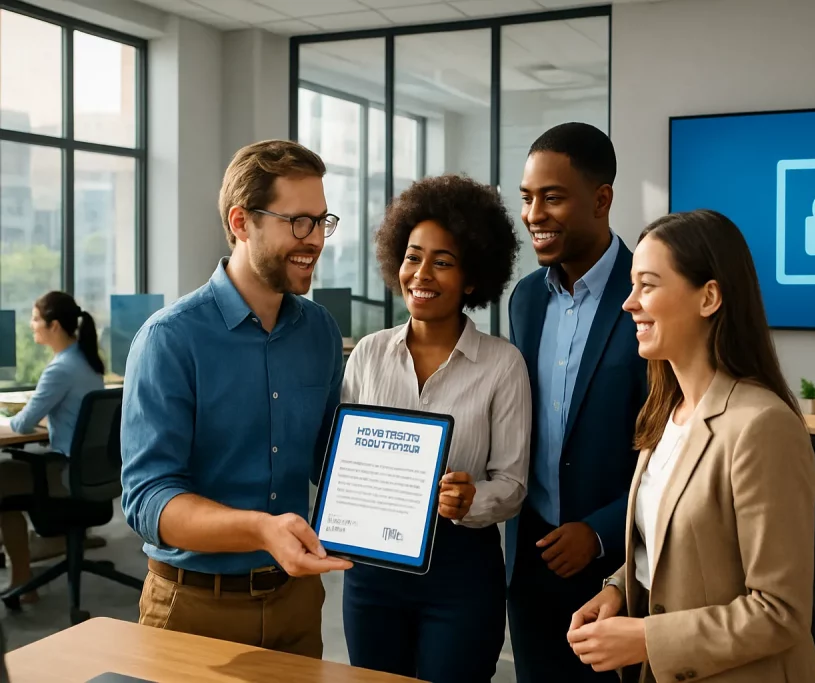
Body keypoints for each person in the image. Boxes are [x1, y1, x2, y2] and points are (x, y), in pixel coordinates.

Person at [567, 210, 815, 683]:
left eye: (647, 285)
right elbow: (669, 540)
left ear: (708, 297)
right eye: (631, 286)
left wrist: (648, 638)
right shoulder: (668, 412)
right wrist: (620, 587)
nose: (629, 303)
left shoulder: (762, 427)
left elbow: (781, 611)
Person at [120, 140, 352, 658]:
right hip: (194, 606)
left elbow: (329, 458)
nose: (315, 240)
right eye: (298, 222)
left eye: (321, 221)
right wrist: (260, 530)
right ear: (242, 222)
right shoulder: (169, 339)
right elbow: (148, 500)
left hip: (296, 601)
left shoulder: (320, 331)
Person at [340, 174, 531, 682]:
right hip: (372, 574)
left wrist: (472, 500)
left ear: (471, 278)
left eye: (443, 262)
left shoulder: (502, 365)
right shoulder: (368, 354)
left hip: (460, 574)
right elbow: (341, 458)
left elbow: (512, 484)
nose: (421, 274)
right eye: (413, 257)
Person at [506, 122, 648, 683]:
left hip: (619, 567)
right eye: (527, 198)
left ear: (601, 199)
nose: (533, 214)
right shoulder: (525, 299)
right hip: (531, 558)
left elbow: (669, 447)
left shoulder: (647, 296)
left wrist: (599, 531)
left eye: (552, 198)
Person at [2, 292, 105, 602]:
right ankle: (43, 554)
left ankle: (23, 580)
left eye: (36, 319)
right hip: (93, 472)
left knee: (2, 479)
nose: (31, 325)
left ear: (54, 326)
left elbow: (21, 425)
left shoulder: (61, 369)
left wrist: (12, 417)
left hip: (66, 474)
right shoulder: (87, 362)